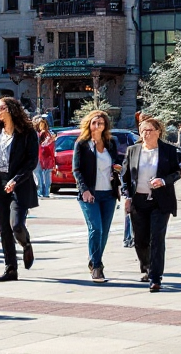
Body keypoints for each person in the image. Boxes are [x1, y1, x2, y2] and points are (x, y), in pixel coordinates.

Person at [0, 98, 38, 282]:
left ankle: (26, 243)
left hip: (19, 183)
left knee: (16, 225)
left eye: (1, 108)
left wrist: (16, 179)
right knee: (4, 228)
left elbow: (31, 162)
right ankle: (11, 268)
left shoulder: (27, 132)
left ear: (11, 109)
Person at [121, 115, 181, 292]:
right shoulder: (133, 150)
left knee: (157, 238)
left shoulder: (168, 151)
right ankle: (146, 267)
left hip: (160, 202)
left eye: (149, 130)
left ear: (158, 132)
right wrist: (127, 196)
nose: (146, 134)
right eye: (142, 130)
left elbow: (178, 171)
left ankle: (156, 277)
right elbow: (125, 176)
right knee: (140, 240)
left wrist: (163, 180)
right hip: (138, 201)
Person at [72, 109, 123, 282]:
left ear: (105, 125)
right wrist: (84, 189)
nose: (97, 125)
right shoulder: (82, 144)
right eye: (94, 123)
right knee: (96, 229)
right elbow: (76, 170)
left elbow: (115, 162)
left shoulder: (110, 143)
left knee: (104, 232)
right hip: (89, 194)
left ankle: (94, 259)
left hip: (108, 193)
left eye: (100, 123)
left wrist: (117, 168)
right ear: (89, 124)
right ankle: (97, 266)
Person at [33, 117, 56, 199]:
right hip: (44, 157)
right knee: (42, 175)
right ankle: (43, 192)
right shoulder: (45, 134)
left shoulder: (44, 134)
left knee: (41, 175)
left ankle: (43, 192)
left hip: (44, 157)